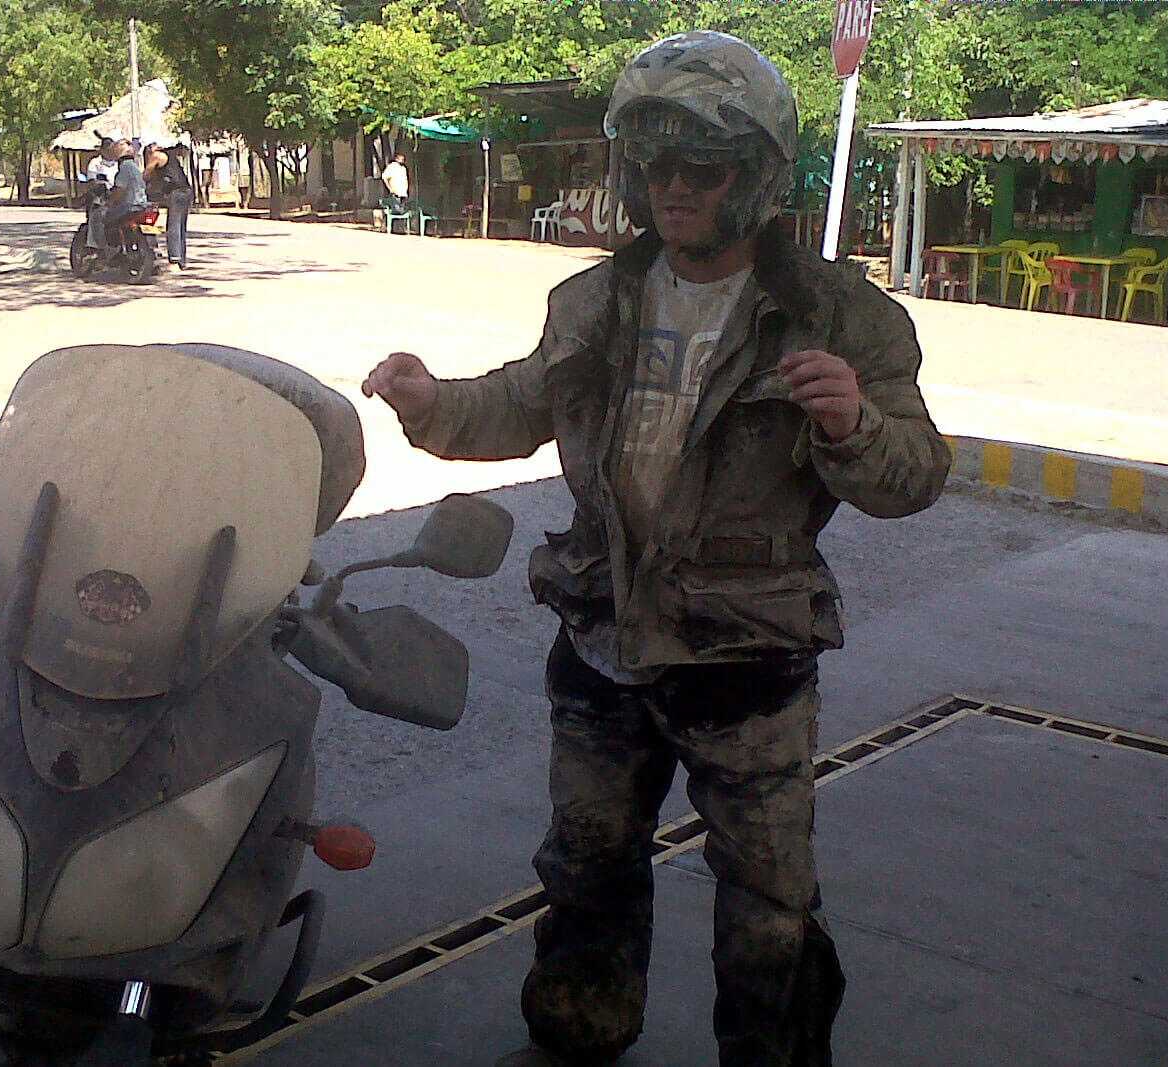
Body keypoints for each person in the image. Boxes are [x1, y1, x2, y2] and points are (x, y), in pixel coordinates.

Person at [362, 32, 950, 1067]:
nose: (672, 187)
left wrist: (854, 424)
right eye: (654, 165)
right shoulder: (592, 301)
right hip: (601, 641)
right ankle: (576, 1039)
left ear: (758, 175)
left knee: (769, 904)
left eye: (702, 166)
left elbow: (913, 478)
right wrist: (429, 402)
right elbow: (516, 402)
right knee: (585, 866)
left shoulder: (838, 317)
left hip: (746, 661)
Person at [151, 143, 193, 269]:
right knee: (180, 226)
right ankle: (181, 260)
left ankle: (175, 259)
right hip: (185, 190)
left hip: (176, 192)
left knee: (173, 225)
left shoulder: (157, 156)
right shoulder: (171, 158)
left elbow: (147, 174)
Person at [103, 139, 149, 253]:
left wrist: (109, 202)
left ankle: (112, 248)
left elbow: (120, 191)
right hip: (141, 204)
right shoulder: (135, 167)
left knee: (104, 217)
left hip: (130, 206)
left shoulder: (124, 168)